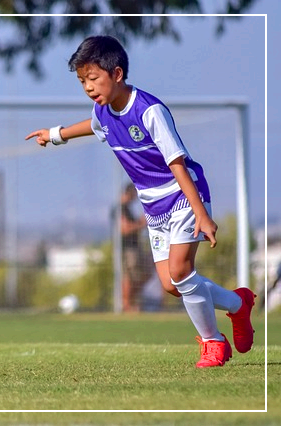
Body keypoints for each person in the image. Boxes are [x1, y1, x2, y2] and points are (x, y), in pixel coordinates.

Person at [25, 35, 256, 368]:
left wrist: (201, 214)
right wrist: (55, 134)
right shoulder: (102, 110)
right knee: (172, 285)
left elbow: (177, 163)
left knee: (181, 272)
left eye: (93, 78)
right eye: (82, 81)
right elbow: (94, 125)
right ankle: (238, 304)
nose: (88, 87)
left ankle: (213, 343)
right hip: (153, 207)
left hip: (182, 195)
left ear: (117, 74)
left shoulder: (149, 111)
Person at [118, 183, 153, 312]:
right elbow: (124, 229)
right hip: (128, 249)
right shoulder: (120, 208)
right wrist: (141, 223)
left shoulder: (127, 208)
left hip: (135, 247)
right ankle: (126, 304)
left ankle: (131, 301)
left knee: (144, 274)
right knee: (129, 276)